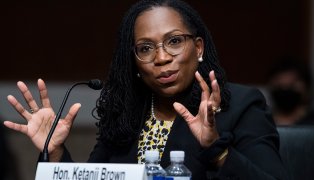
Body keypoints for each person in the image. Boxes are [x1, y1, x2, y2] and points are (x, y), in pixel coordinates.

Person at [3, 0, 288, 179]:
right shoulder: (126, 113)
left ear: (198, 47)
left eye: (174, 41)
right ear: (135, 63)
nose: (161, 57)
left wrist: (216, 150)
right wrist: (54, 152)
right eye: (146, 48)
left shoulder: (239, 105)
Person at [267, 58, 314, 126]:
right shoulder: (262, 122)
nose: (285, 88)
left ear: (307, 87)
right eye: (280, 84)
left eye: (292, 84)